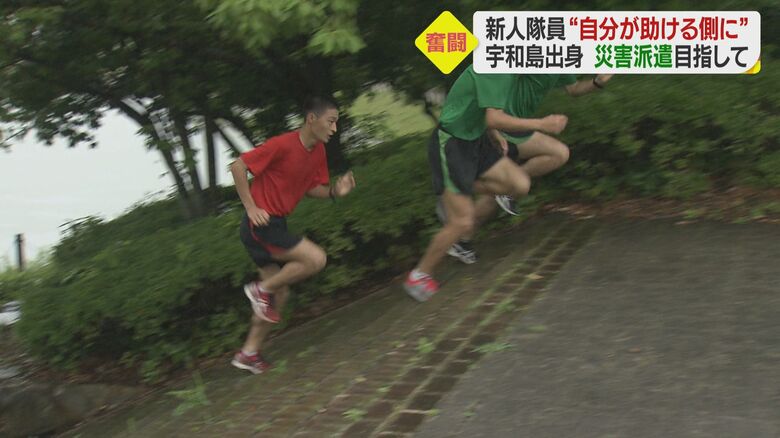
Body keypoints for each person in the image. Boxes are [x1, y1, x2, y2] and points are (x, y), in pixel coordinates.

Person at [404, 65, 611, 301]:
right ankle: (420, 274)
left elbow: (484, 109)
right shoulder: (497, 66)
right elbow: (493, 116)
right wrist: (541, 124)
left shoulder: (507, 64)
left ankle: (453, 193)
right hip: (452, 144)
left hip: (478, 139)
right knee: (462, 222)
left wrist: (494, 133)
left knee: (519, 184)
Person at [229, 96, 356, 373]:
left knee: (280, 294)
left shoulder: (318, 152)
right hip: (260, 224)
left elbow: (311, 188)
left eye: (336, 123)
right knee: (316, 259)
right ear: (312, 119)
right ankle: (259, 290)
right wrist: (251, 207)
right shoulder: (282, 144)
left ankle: (248, 353)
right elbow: (238, 166)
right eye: (331, 121)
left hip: (276, 225)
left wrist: (334, 191)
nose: (334, 129)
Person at [446, 72, 615, 265]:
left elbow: (574, 89)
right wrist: (492, 128)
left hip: (517, 128)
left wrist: (597, 82)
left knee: (548, 160)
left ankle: (461, 240)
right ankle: (461, 236)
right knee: (556, 154)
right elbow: (491, 85)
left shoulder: (560, 62)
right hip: (500, 127)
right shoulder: (526, 57)